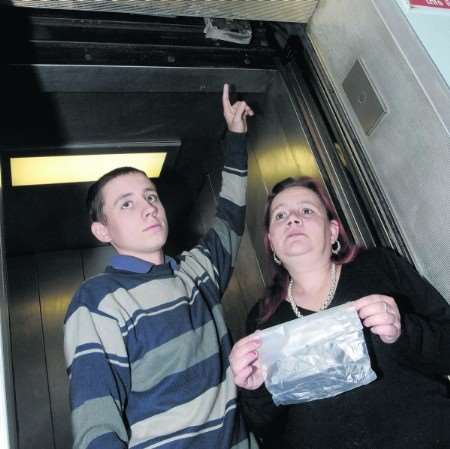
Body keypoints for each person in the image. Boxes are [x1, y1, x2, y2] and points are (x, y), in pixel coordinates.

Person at [64, 84, 259, 449]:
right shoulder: (99, 301)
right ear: (102, 230)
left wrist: (236, 136)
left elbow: (231, 216)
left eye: (150, 196)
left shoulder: (196, 273)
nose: (149, 207)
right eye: (126, 204)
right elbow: (96, 417)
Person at [229, 176, 450, 449]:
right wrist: (254, 390)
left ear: (332, 231)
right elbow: (267, 427)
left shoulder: (380, 267)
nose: (293, 219)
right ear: (272, 242)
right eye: (281, 215)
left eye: (306, 210)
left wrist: (404, 331)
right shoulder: (262, 320)